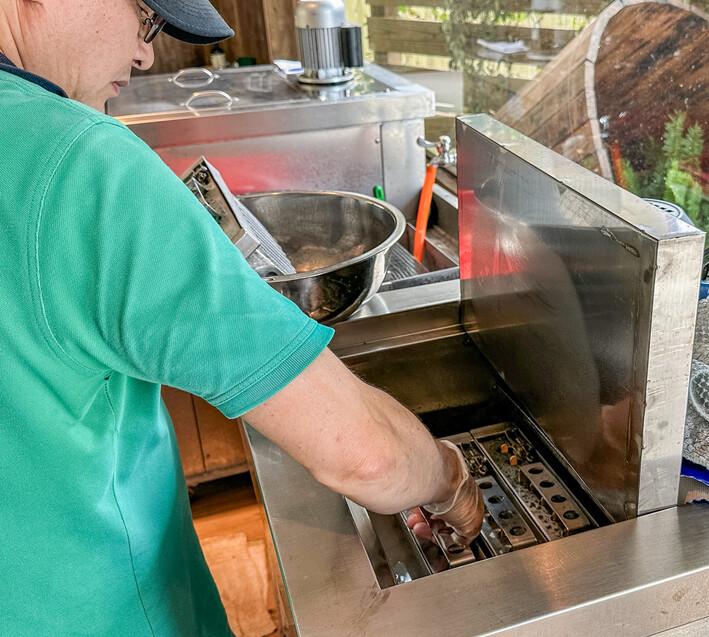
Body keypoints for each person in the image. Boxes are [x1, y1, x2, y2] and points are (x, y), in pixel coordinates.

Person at [0, 0, 483, 634]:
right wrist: (448, 477)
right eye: (145, 16)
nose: (145, 53)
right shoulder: (83, 165)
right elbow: (365, 456)